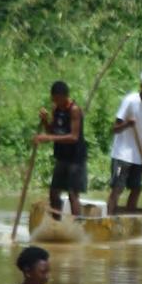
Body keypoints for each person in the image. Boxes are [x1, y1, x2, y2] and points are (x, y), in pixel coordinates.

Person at [107, 70, 142, 215]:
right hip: (122, 155)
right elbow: (115, 129)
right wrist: (127, 124)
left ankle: (129, 219)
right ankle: (108, 218)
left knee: (136, 189)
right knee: (117, 188)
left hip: (138, 156)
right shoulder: (130, 101)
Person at [35, 80, 85, 219]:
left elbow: (74, 137)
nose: (55, 102)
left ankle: (77, 224)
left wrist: (48, 138)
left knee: (72, 194)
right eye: (53, 99)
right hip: (61, 157)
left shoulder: (74, 110)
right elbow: (53, 131)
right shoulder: (56, 109)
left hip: (75, 158)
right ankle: (56, 222)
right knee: (53, 192)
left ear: (64, 96)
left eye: (57, 99)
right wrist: (45, 121)